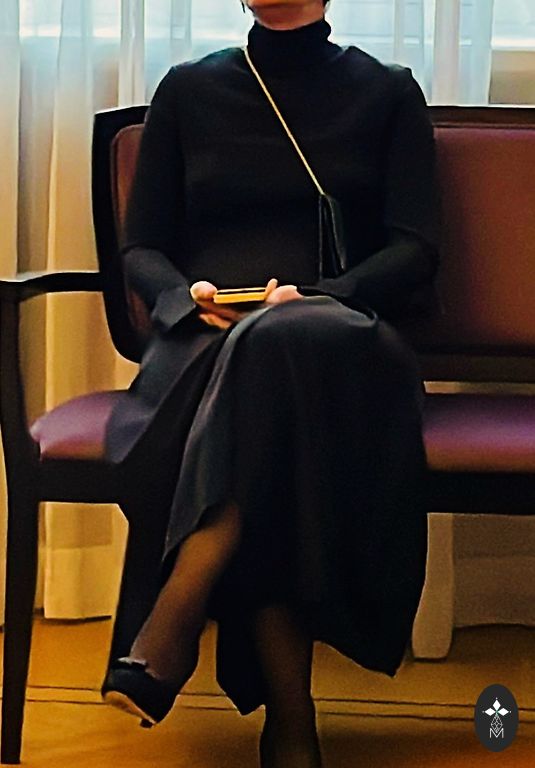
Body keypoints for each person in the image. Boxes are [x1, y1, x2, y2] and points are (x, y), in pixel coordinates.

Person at [102, 0, 439, 766]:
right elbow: (142, 247)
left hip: (342, 337)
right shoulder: (187, 89)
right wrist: (184, 298)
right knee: (264, 400)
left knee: (277, 346)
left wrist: (322, 297)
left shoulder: (386, 90)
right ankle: (290, 720)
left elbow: (414, 248)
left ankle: (177, 610)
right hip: (208, 342)